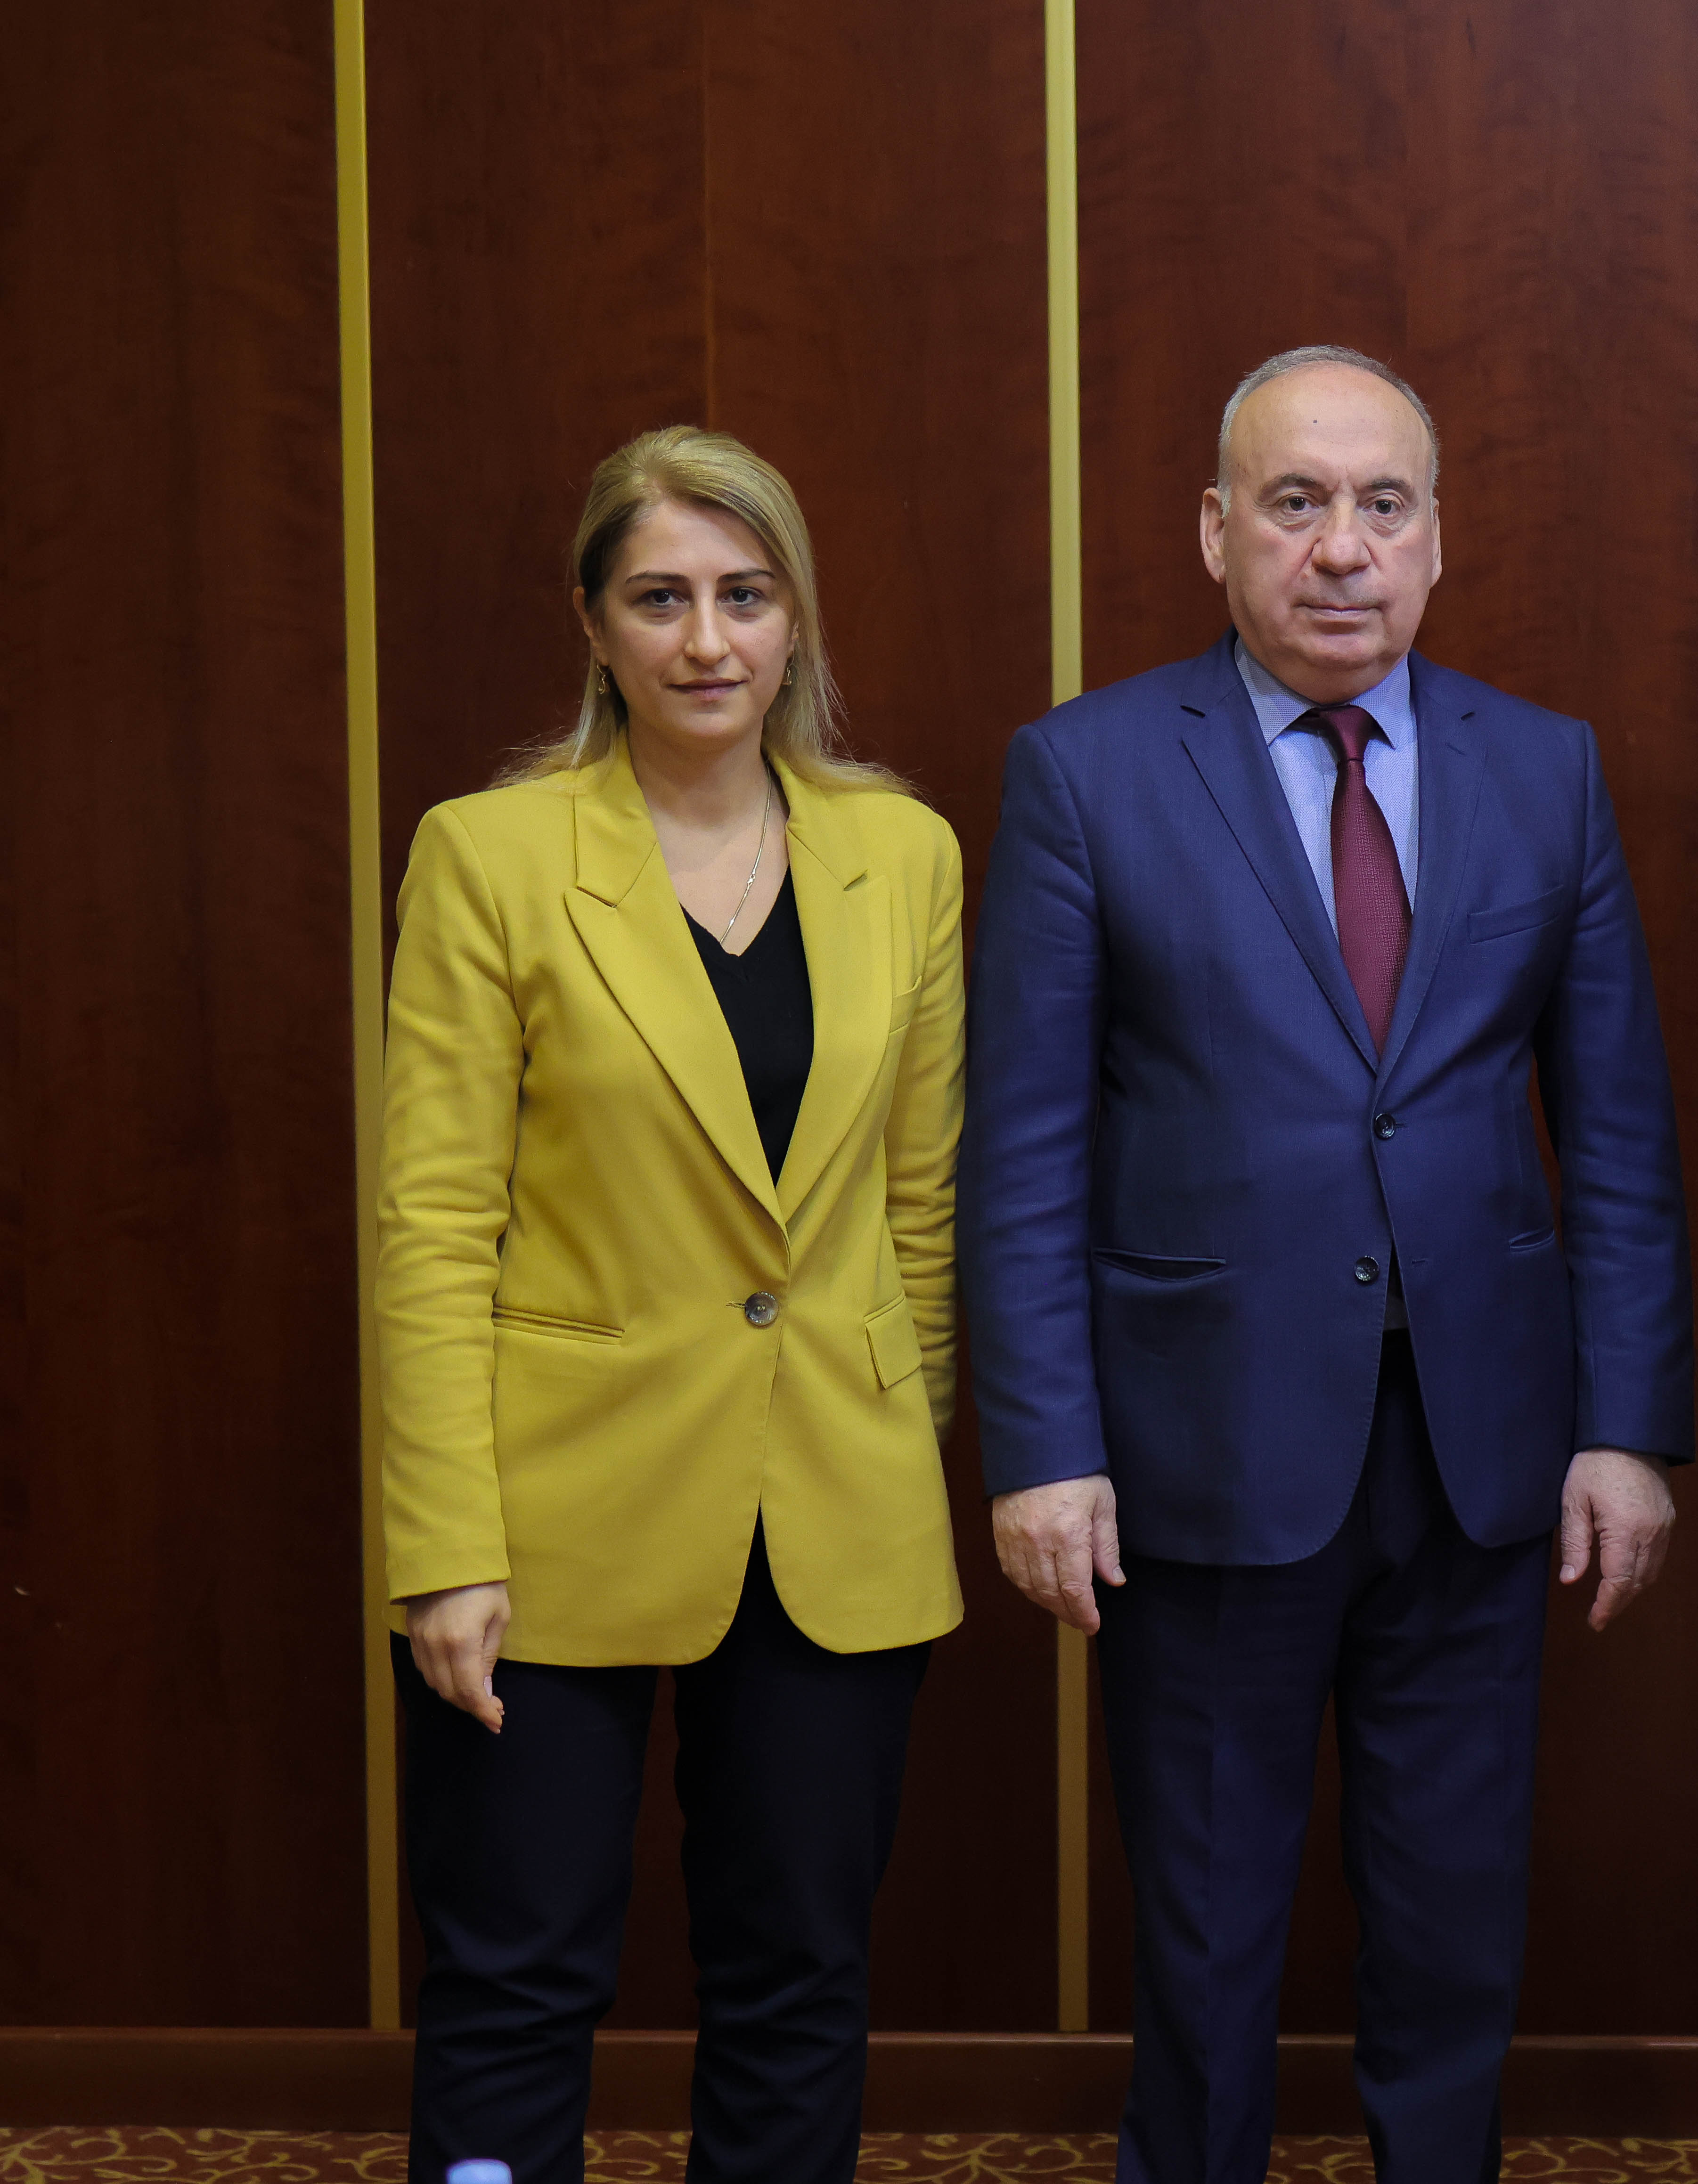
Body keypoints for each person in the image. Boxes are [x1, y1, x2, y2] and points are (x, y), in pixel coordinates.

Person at [959, 345, 1697, 2181]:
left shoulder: (1543, 768)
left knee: (1453, 1930)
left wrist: (1625, 1430)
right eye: (1295, 504)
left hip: (1476, 1457)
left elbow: (1615, 1129)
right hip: (1198, 1455)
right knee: (1204, 1947)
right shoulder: (1086, 773)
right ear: (1217, 532)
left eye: (1381, 505)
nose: (1341, 548)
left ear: (1438, 537)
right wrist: (1042, 1447)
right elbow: (1025, 1143)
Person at [379, 426, 966, 2182]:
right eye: (659, 598)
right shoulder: (489, 855)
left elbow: (920, 1203)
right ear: (593, 624)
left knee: (798, 1980)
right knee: (512, 1978)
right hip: (546, 1513)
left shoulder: (905, 854)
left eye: (744, 595)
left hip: (835, 1508)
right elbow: (432, 1227)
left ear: (795, 621)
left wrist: (895, 1429)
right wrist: (444, 1543)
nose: (707, 640)